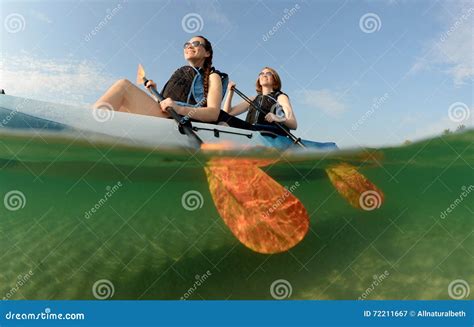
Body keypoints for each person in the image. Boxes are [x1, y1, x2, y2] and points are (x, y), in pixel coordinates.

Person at [93, 36, 226, 123]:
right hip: (166, 115)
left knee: (123, 86)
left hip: (177, 119)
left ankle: (86, 128)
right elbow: (163, 104)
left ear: (207, 53)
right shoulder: (181, 74)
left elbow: (213, 114)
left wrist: (179, 109)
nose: (189, 46)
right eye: (186, 44)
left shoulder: (213, 77)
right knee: (121, 109)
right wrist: (154, 92)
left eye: (195, 43)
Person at [218, 67, 297, 134]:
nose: (264, 75)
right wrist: (230, 93)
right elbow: (227, 113)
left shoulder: (280, 97)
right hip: (251, 131)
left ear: (275, 79)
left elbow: (293, 124)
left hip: (268, 132)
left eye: (268, 73)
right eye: (261, 74)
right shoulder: (253, 99)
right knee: (221, 116)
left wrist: (278, 118)